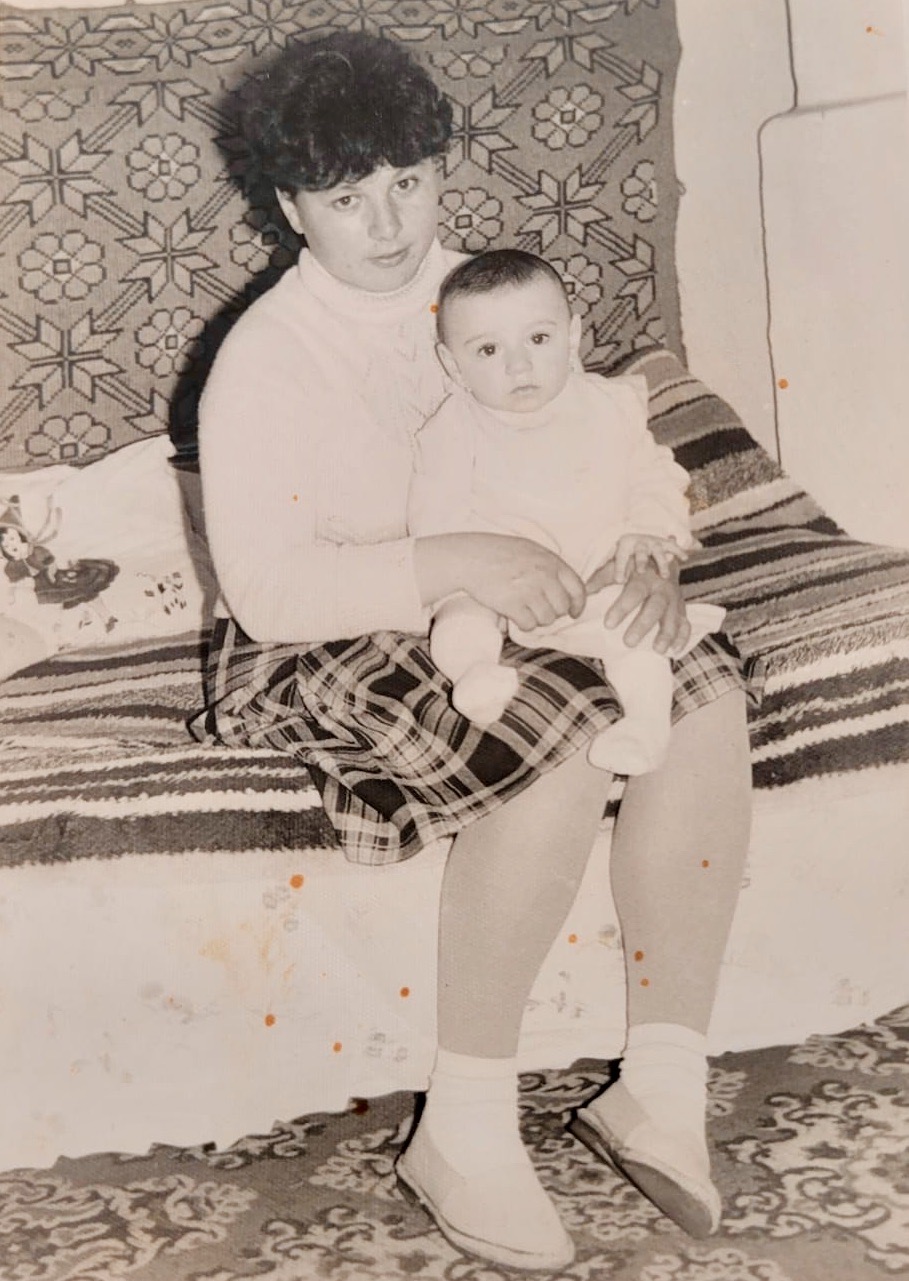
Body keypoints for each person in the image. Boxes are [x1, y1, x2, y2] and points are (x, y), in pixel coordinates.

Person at [194, 30, 755, 1271]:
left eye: (408, 181)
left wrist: (650, 554)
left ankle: (660, 1083)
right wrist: (458, 561)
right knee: (551, 731)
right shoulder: (265, 361)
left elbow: (608, 438)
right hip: (330, 624)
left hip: (524, 593)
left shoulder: (488, 299)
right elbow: (270, 591)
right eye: (348, 199)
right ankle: (464, 1125)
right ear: (290, 209)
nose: (390, 223)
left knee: (703, 683)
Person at [409, 248, 727, 776]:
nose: (518, 365)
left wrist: (651, 534)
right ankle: (476, 673)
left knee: (638, 628)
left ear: (573, 337)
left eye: (538, 339)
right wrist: (478, 575)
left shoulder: (609, 405)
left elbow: (654, 475)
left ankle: (646, 724)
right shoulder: (450, 431)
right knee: (458, 615)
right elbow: (435, 522)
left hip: (601, 565)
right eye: (487, 349)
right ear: (452, 365)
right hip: (501, 584)